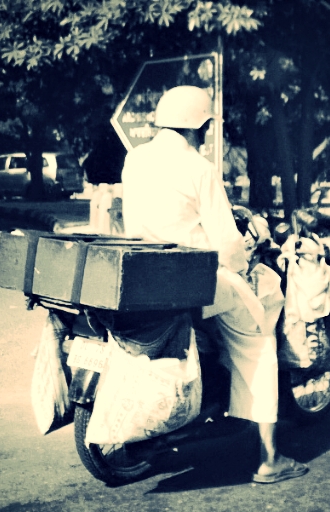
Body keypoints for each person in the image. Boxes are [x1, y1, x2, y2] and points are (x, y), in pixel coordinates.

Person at [121, 85, 307, 484]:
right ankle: (270, 459)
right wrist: (248, 257)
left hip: (148, 276)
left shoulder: (135, 160)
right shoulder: (199, 168)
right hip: (199, 280)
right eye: (206, 126)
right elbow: (227, 244)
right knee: (258, 341)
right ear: (198, 126)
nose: (207, 133)